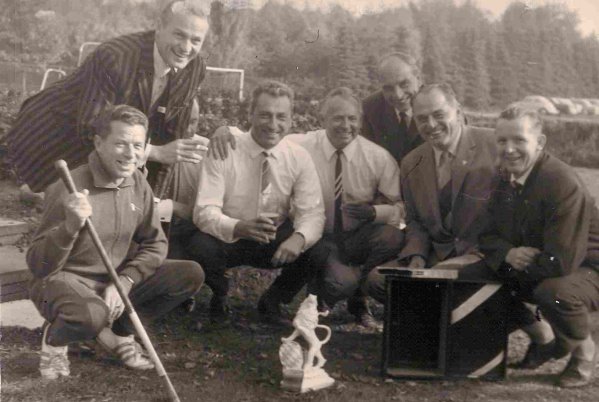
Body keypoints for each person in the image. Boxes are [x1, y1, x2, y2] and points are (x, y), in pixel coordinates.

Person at [27, 105, 204, 380]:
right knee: (90, 315)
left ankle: (119, 335)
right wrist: (69, 227)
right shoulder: (68, 186)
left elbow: (155, 244)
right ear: (99, 143)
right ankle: (56, 339)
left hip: (112, 279)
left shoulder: (137, 183)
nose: (131, 154)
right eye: (121, 144)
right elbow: (39, 266)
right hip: (63, 281)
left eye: (137, 145)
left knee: (189, 274)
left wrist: (126, 280)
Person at [7, 0, 212, 194]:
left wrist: (154, 199)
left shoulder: (194, 68)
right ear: (159, 27)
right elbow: (91, 127)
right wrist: (155, 152)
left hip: (104, 139)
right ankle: (38, 190)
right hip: (52, 135)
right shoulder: (115, 57)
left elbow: (173, 144)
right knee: (72, 201)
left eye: (196, 40)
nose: (186, 48)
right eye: (179, 35)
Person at [468, 104, 599, 388]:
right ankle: (544, 339)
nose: (509, 149)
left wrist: (515, 263)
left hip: (586, 268)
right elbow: (486, 235)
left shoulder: (561, 181)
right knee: (475, 275)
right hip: (542, 263)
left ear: (539, 142)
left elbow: (562, 262)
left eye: (519, 140)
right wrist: (509, 253)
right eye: (502, 140)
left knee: (553, 292)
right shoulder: (504, 177)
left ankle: (584, 349)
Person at [185, 81, 328, 327]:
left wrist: (299, 239)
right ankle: (220, 295)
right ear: (250, 115)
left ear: (291, 119)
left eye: (281, 116)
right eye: (264, 115)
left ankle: (273, 300)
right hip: (231, 235)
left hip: (273, 236)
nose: (273, 124)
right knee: (200, 246)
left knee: (318, 250)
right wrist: (238, 226)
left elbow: (313, 212)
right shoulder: (225, 148)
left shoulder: (298, 156)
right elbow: (204, 211)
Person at [365, 83, 499, 299]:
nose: (431, 125)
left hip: (485, 254)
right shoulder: (411, 163)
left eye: (439, 115)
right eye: (422, 119)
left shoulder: (494, 144)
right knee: (378, 280)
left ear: (458, 111)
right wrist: (417, 253)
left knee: (439, 282)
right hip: (437, 255)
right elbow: (415, 221)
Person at [287, 87, 404, 327]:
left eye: (352, 118)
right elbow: (261, 139)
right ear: (322, 119)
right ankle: (319, 298)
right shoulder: (301, 146)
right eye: (338, 118)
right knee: (340, 283)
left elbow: (402, 207)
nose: (346, 125)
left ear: (360, 120)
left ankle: (358, 296)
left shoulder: (377, 157)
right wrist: (227, 131)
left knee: (391, 236)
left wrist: (374, 212)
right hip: (318, 237)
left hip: (356, 237)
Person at [361, 52, 424, 164]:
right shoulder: (368, 110)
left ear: (418, 78)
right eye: (388, 88)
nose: (398, 95)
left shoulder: (438, 104)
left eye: (404, 84)